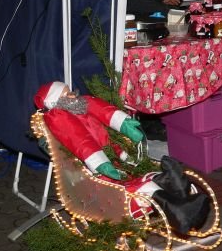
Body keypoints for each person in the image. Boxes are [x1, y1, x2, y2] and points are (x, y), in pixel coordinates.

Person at [34, 82, 210, 233]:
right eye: (67, 93)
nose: (73, 94)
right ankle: (182, 215)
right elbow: (79, 140)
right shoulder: (58, 116)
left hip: (114, 156)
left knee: (149, 173)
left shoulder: (80, 106)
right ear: (55, 102)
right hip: (94, 168)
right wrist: (100, 163)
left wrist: (124, 123)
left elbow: (102, 109)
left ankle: (177, 189)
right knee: (143, 187)